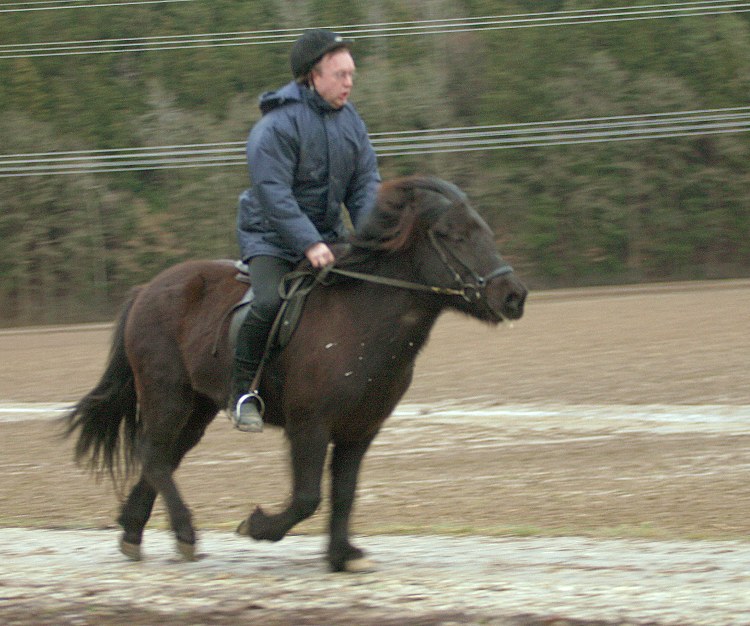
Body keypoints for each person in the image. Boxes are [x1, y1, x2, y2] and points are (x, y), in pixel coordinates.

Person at [229, 29, 381, 432]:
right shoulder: (276, 128)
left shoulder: (352, 124)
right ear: (312, 77)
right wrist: (308, 242)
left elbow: (365, 185)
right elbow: (273, 194)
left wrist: (371, 238)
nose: (349, 82)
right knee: (267, 303)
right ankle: (243, 392)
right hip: (272, 239)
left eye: (352, 73)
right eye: (340, 74)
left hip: (329, 237)